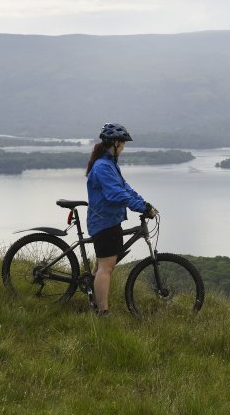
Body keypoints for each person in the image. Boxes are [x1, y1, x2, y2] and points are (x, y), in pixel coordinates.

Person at [85, 123, 156, 316]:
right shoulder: (103, 167)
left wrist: (145, 204)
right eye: (122, 144)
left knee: (102, 265)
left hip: (109, 221)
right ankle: (103, 313)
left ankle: (91, 297)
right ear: (115, 143)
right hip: (104, 222)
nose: (123, 148)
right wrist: (141, 207)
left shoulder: (109, 164)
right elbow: (115, 194)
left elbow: (126, 188)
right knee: (105, 268)